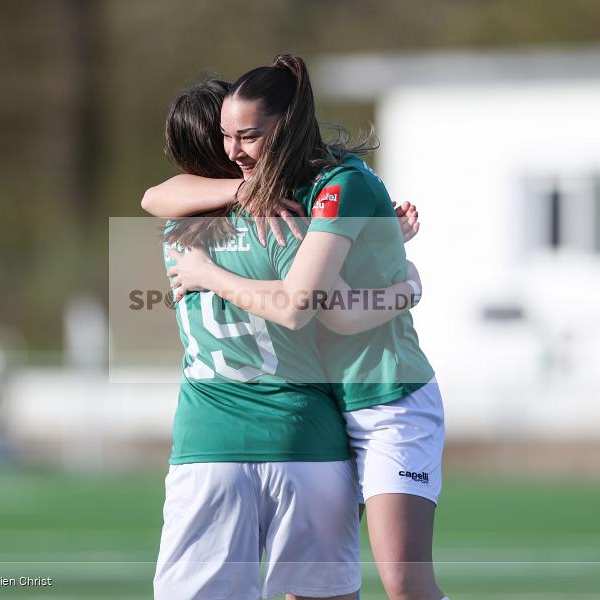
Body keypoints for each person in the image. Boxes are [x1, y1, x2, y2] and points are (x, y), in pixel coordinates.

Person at [149, 55, 448, 600]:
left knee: (405, 582)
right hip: (311, 433)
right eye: (225, 137)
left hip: (243, 431)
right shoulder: (288, 215)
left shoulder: (179, 227)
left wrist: (207, 272)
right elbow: (309, 303)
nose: (233, 151)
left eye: (245, 136)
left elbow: (154, 196)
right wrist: (402, 280)